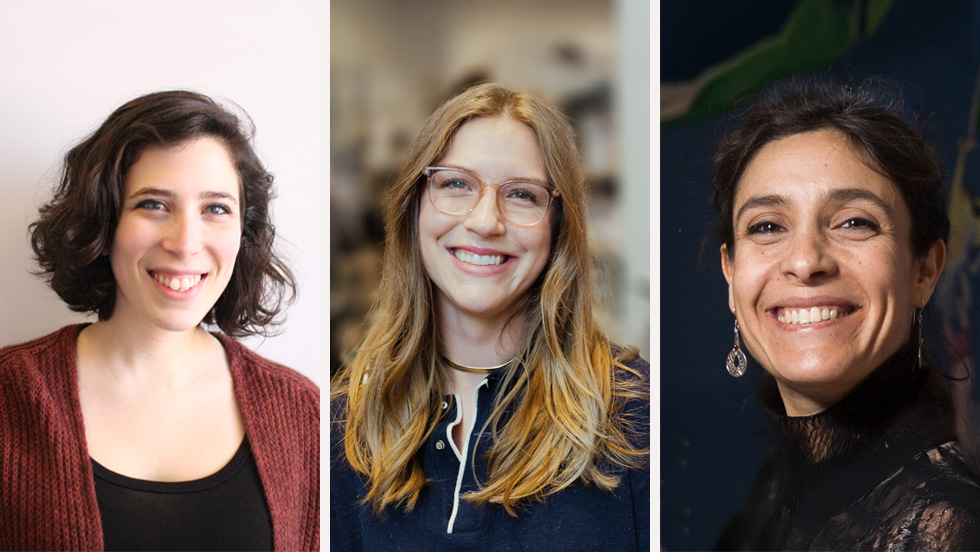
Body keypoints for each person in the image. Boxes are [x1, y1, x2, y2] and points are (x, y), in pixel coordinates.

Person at [330, 83, 650, 551]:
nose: (485, 221)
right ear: (414, 205)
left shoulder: (635, 410)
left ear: (558, 224)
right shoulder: (344, 428)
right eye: (456, 184)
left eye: (521, 195)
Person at [0, 91, 319, 551]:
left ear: (242, 233)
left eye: (216, 208)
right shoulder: (11, 396)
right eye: (153, 204)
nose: (186, 242)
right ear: (104, 221)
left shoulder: (303, 413)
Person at [711, 80, 980, 550]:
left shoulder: (947, 527)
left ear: (924, 271)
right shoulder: (773, 492)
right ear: (731, 275)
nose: (805, 260)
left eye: (854, 222)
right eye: (768, 226)